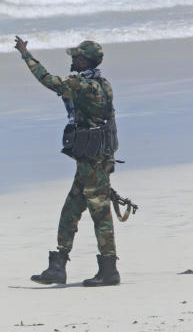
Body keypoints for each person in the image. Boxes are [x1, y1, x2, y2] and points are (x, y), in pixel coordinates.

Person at [14, 36, 120, 286]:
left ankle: (108, 270)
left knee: (100, 213)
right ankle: (58, 266)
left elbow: (49, 81)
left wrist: (26, 55)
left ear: (87, 60)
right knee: (71, 211)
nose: (73, 59)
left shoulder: (82, 85)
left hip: (93, 162)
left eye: (78, 56)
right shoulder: (104, 84)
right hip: (96, 160)